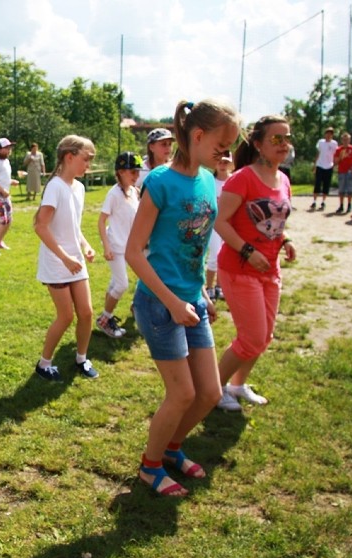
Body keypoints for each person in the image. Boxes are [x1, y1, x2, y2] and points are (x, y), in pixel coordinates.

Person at [125, 100, 239, 496]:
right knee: (182, 393)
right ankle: (150, 466)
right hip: (159, 304)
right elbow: (134, 252)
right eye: (222, 145)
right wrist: (173, 302)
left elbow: (195, 247)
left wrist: (202, 293)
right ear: (197, 135)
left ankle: (172, 448)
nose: (226, 154)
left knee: (209, 392)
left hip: (191, 301)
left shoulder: (208, 180)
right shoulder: (159, 181)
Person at [215, 115, 296, 412]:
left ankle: (236, 386)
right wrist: (248, 251)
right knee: (251, 338)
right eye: (277, 138)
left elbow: (273, 219)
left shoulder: (283, 179)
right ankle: (215, 389)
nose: (284, 144)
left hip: (269, 270)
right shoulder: (242, 178)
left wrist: (285, 240)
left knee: (263, 338)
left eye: (287, 138)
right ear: (259, 144)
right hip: (239, 268)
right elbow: (220, 222)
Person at [34, 135, 98, 382]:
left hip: (75, 261)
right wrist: (64, 258)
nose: (88, 166)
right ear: (69, 157)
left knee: (86, 313)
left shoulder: (79, 188)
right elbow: (41, 226)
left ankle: (81, 359)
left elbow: (73, 226)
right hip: (57, 263)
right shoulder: (55, 187)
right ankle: (44, 363)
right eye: (85, 160)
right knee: (66, 316)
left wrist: (86, 245)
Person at [96, 151, 141, 338]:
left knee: (116, 282)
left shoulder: (134, 192)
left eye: (138, 172)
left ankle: (108, 316)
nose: (137, 176)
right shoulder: (113, 194)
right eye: (133, 172)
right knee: (122, 284)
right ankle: (104, 319)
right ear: (121, 172)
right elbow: (101, 221)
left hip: (128, 247)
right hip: (115, 246)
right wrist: (106, 247)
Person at [206, 153, 234, 300]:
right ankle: (209, 287)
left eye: (225, 162)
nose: (222, 165)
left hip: (231, 224)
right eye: (220, 162)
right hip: (214, 224)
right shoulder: (210, 180)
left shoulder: (234, 180)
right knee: (214, 255)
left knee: (225, 256)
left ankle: (220, 286)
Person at [311, 127, 337, 211]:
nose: (329, 135)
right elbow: (318, 153)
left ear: (332, 135)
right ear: (325, 134)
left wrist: (335, 165)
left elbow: (335, 154)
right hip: (320, 165)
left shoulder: (334, 143)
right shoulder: (321, 142)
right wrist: (314, 165)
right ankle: (314, 201)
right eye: (327, 133)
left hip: (329, 166)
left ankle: (323, 201)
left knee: (326, 184)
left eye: (331, 133)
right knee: (317, 183)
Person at [333, 133, 352, 215]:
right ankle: (341, 205)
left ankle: (349, 205)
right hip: (342, 171)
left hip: (350, 172)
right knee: (341, 189)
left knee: (350, 189)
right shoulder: (338, 150)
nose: (345, 141)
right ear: (341, 140)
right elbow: (335, 162)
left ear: (349, 140)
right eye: (344, 139)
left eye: (347, 139)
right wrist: (340, 156)